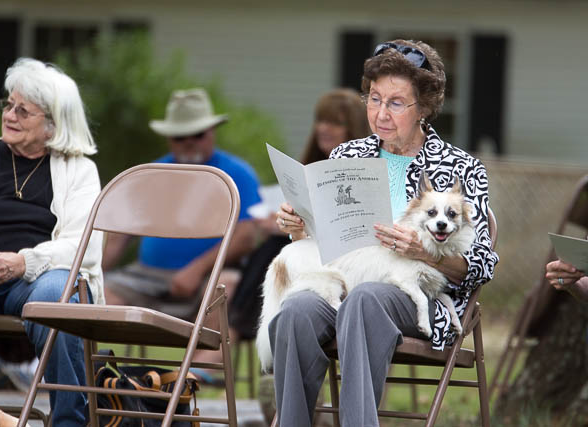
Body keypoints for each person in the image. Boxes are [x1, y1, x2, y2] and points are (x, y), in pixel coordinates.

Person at [271, 39, 499, 426]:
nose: (380, 113)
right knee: (296, 309)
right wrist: (298, 227)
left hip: (417, 296)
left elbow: (481, 265)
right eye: (374, 99)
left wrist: (424, 252)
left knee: (366, 300)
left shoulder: (462, 168)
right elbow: (324, 242)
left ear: (424, 106)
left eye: (396, 103)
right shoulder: (347, 156)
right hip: (344, 282)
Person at [0, 58, 103, 426]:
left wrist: (21, 262)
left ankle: (69, 422)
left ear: (52, 125)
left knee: (57, 299)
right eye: (8, 105)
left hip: (34, 280)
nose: (10, 115)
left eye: (24, 111)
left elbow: (83, 247)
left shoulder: (79, 170)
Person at [102, 88, 261, 371]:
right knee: (99, 294)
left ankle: (193, 376)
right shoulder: (152, 172)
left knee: (227, 287)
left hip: (208, 278)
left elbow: (247, 235)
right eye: (180, 136)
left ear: (212, 132)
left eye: (197, 134)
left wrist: (197, 269)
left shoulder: (237, 173)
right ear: (168, 138)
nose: (189, 143)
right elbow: (119, 232)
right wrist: (92, 270)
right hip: (145, 277)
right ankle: (99, 374)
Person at [228, 88, 371, 340]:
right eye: (320, 120)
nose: (323, 128)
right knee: (275, 246)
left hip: (344, 260)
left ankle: (240, 329)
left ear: (353, 129)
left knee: (275, 248)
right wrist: (280, 220)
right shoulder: (308, 166)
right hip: (306, 251)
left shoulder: (363, 172)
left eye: (335, 123)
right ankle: (247, 330)